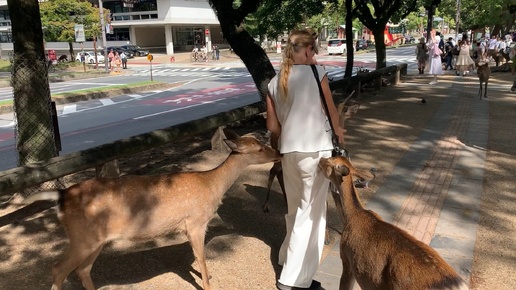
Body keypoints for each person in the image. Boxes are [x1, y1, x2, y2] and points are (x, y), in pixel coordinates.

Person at [266, 28, 343, 290]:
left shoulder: (275, 82)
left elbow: (272, 127)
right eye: (314, 51)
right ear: (308, 50)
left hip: (290, 152)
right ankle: (293, 279)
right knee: (311, 214)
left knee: (295, 208)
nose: (315, 56)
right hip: (316, 151)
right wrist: (340, 134)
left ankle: (288, 259)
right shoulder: (316, 73)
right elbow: (332, 114)